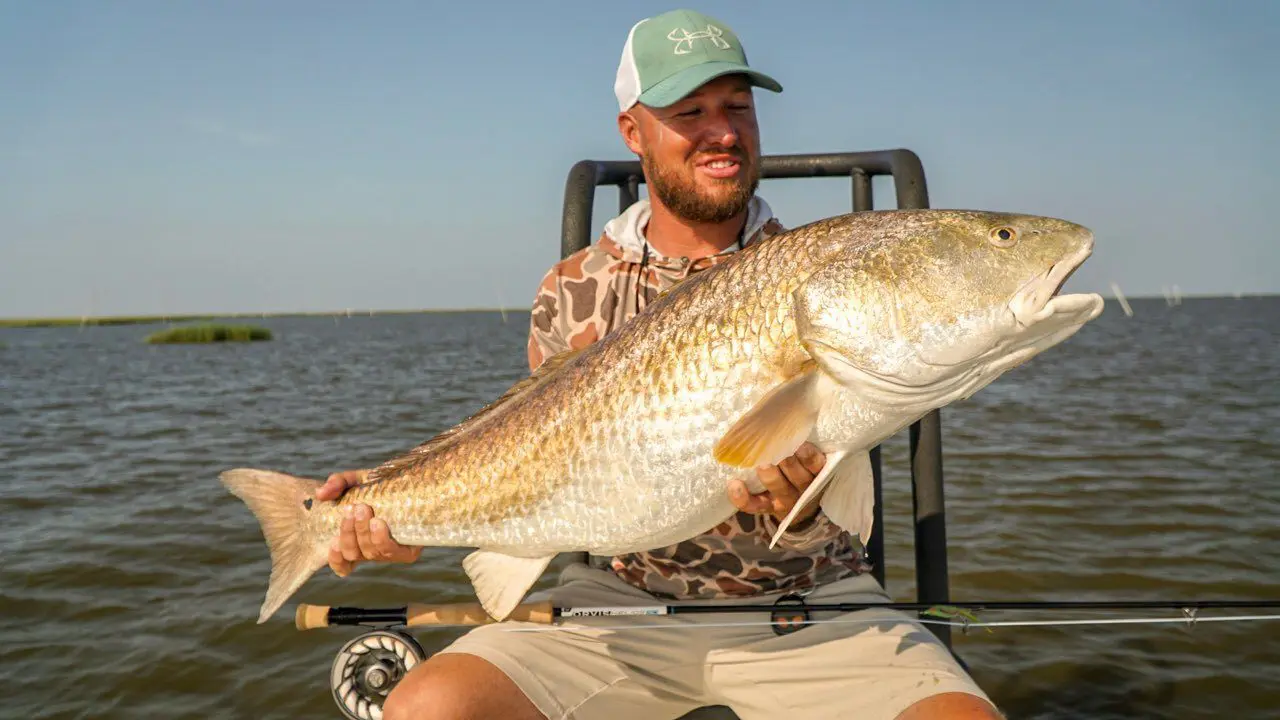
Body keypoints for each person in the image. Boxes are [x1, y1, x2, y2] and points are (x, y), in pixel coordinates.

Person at [316, 8, 1002, 720]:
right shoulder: (571, 290)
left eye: (738, 106)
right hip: (615, 612)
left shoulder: (823, 275)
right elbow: (521, 461)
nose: (724, 132)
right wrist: (389, 506)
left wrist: (797, 512)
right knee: (428, 708)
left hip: (810, 604)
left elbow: (846, 487)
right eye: (690, 111)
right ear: (632, 131)